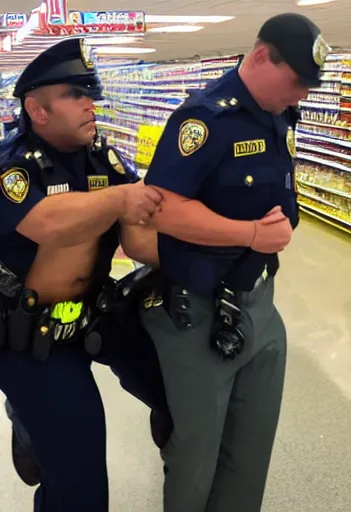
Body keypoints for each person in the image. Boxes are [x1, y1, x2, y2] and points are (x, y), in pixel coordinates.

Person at [129, 12, 330, 512]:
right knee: (197, 456)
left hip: (260, 301)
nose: (302, 94)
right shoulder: (204, 119)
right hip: (197, 310)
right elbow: (165, 208)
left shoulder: (280, 113)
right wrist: (251, 234)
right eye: (297, 81)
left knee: (251, 451)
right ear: (262, 57)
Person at [0, 37, 169, 512]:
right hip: (30, 338)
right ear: (37, 109)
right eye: (74, 95)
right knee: (81, 485)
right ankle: (32, 424)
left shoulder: (103, 159)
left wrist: (222, 249)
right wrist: (119, 199)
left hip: (96, 314)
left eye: (90, 94)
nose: (89, 105)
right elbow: (46, 222)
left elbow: (138, 237)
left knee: (182, 387)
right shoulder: (13, 167)